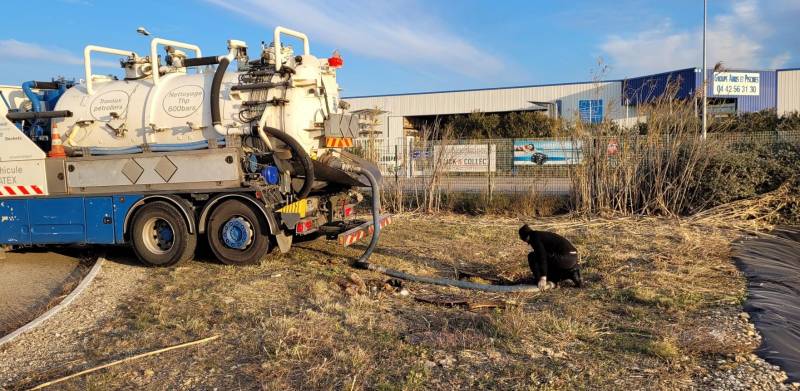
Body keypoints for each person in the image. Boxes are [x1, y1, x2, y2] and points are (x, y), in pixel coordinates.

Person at [518, 224, 582, 289]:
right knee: (549, 258)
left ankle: (542, 281)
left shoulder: (534, 237)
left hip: (565, 258)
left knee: (532, 256)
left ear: (526, 236)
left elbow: (542, 257)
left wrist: (543, 277)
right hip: (573, 258)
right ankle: (572, 274)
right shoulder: (541, 235)